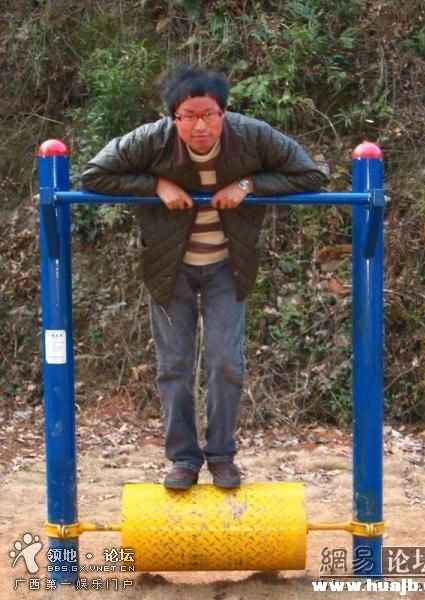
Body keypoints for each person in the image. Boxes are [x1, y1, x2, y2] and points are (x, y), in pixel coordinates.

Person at [81, 65, 328, 491]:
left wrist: (247, 185)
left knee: (225, 362)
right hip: (169, 268)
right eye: (188, 117)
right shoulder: (151, 139)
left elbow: (311, 174)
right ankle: (182, 459)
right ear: (173, 118)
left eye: (209, 115)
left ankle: (221, 456)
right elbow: (94, 174)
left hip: (227, 267)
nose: (200, 126)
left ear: (223, 113)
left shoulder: (251, 135)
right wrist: (156, 185)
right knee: (174, 366)